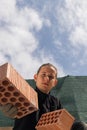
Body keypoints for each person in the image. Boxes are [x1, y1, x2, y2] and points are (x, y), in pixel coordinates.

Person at [0, 63, 62, 130]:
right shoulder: (24, 93)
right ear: (35, 77)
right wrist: (8, 108)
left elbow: (62, 122)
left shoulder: (56, 102)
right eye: (43, 75)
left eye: (51, 77)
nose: (47, 79)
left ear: (55, 82)